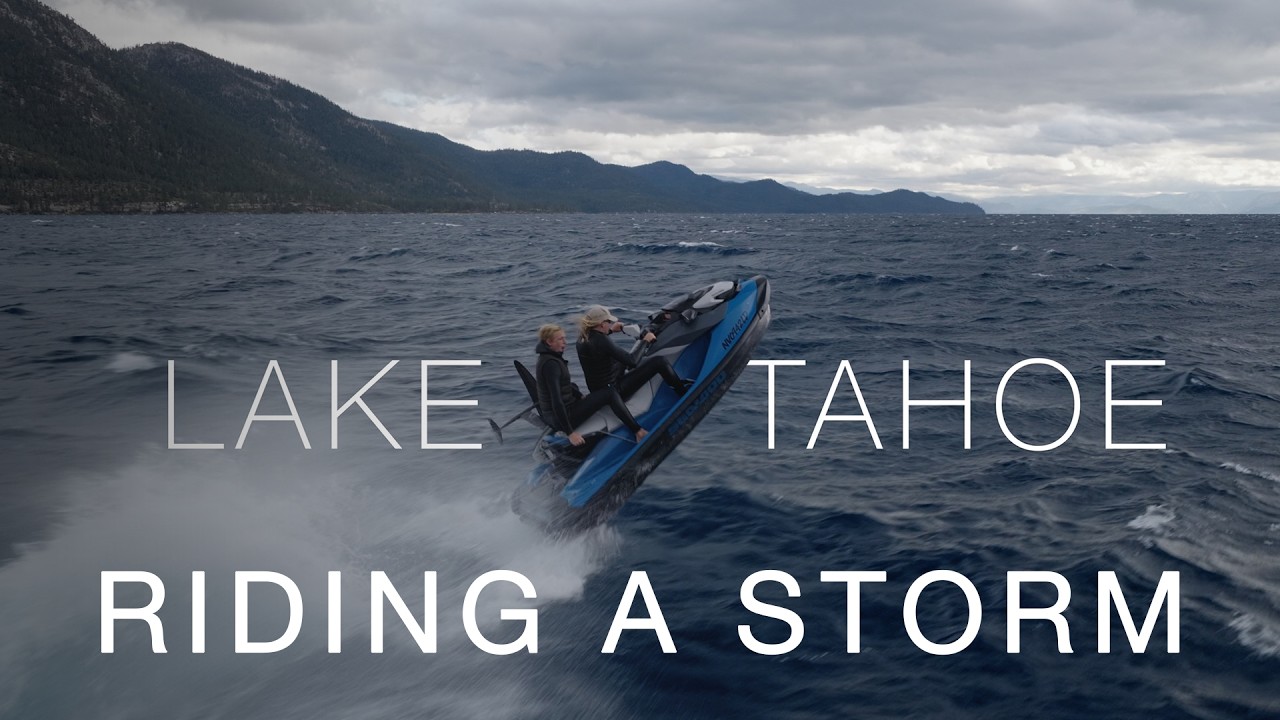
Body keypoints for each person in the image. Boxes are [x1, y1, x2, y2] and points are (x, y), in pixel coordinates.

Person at [534, 324, 647, 446]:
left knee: (578, 388)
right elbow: (556, 401)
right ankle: (638, 431)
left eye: (564, 338)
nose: (565, 342)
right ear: (549, 342)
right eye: (560, 339)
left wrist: (580, 396)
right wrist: (570, 433)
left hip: (559, 414)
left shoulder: (548, 358)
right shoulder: (551, 364)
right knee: (609, 393)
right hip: (564, 417)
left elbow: (564, 384)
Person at [576, 305, 688, 397]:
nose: (610, 324)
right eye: (609, 322)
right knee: (660, 362)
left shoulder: (582, 339)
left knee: (620, 357)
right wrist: (646, 341)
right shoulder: (602, 340)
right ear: (602, 324)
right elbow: (632, 361)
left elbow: (596, 347)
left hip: (599, 391)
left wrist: (610, 331)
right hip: (615, 391)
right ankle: (682, 392)